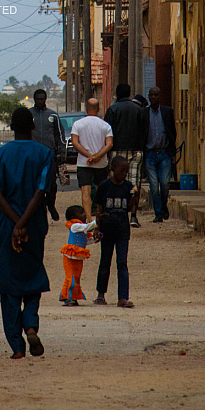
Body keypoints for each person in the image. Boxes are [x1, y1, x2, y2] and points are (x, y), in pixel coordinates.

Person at [0, 106, 53, 359]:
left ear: (12, 128)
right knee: (33, 273)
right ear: (33, 127)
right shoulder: (45, 154)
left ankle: (16, 344)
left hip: (6, 224)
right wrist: (25, 222)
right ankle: (31, 324)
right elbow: (41, 191)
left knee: (8, 280)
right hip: (34, 223)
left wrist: (15, 223)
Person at [94, 156, 137, 308]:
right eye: (121, 170)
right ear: (113, 170)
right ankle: (101, 294)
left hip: (122, 230)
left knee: (122, 263)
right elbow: (99, 209)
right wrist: (97, 228)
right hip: (107, 229)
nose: (124, 173)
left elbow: (130, 209)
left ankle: (123, 297)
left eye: (126, 170)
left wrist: (134, 197)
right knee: (105, 261)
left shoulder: (128, 187)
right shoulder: (105, 186)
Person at [104, 83, 148, 228]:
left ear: (117, 94)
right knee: (134, 184)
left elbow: (107, 132)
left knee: (115, 182)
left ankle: (115, 212)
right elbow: (145, 132)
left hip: (117, 151)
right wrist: (141, 148)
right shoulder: (139, 110)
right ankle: (133, 216)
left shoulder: (112, 110)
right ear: (129, 93)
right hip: (136, 151)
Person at [70, 99, 113, 223]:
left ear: (86, 109)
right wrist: (97, 156)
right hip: (101, 163)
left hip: (84, 162)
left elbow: (75, 143)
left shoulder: (78, 124)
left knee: (86, 190)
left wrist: (88, 156)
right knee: (101, 190)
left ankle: (88, 218)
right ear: (98, 109)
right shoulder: (105, 125)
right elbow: (109, 144)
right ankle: (100, 215)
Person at [30, 88, 66, 221]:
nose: (40, 101)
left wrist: (61, 151)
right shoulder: (29, 114)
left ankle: (51, 205)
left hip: (49, 155)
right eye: (37, 99)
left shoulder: (53, 116)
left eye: (42, 99)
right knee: (34, 183)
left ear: (45, 99)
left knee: (51, 184)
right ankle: (37, 209)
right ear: (34, 99)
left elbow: (60, 135)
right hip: (33, 155)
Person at [143, 86, 177, 223]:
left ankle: (163, 206)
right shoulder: (144, 113)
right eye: (151, 95)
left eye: (156, 95)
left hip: (164, 153)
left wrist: (171, 151)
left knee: (164, 184)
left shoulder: (167, 112)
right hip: (150, 154)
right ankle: (158, 213)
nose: (153, 98)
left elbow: (172, 131)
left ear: (160, 96)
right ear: (148, 97)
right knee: (153, 185)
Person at [59, 204, 98, 307]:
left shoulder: (81, 228)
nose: (84, 215)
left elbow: (85, 241)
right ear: (73, 217)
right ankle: (68, 298)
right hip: (70, 258)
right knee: (71, 278)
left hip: (77, 258)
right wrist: (97, 221)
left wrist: (95, 239)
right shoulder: (75, 226)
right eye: (81, 213)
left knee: (76, 278)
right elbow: (87, 226)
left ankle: (72, 297)